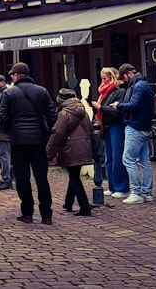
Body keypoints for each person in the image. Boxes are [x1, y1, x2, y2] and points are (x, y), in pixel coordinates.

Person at [0, 62, 57, 225]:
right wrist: (45, 132)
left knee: (22, 177)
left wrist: (11, 130)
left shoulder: (9, 93)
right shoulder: (42, 91)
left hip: (18, 141)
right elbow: (52, 114)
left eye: (12, 75)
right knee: (41, 178)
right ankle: (46, 214)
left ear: (16, 76)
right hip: (38, 140)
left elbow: (4, 117)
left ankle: (27, 212)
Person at [108, 63, 155, 204]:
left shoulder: (138, 86)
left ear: (129, 74)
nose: (123, 81)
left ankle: (137, 193)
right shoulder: (143, 85)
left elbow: (134, 105)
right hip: (145, 126)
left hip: (136, 127)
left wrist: (119, 105)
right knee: (144, 161)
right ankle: (147, 192)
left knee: (127, 159)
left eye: (123, 77)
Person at [48, 88, 95, 216]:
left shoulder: (64, 113)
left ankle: (84, 207)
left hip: (70, 149)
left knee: (74, 177)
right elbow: (90, 132)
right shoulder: (83, 112)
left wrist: (49, 153)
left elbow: (58, 134)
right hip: (83, 147)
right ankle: (68, 203)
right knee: (74, 174)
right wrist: (95, 151)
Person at [96, 68, 130, 199]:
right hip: (108, 125)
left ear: (112, 78)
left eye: (105, 78)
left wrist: (101, 108)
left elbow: (117, 110)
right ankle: (112, 186)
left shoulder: (119, 91)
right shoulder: (105, 92)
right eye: (102, 78)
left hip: (116, 124)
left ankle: (121, 187)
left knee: (117, 156)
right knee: (109, 157)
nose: (103, 81)